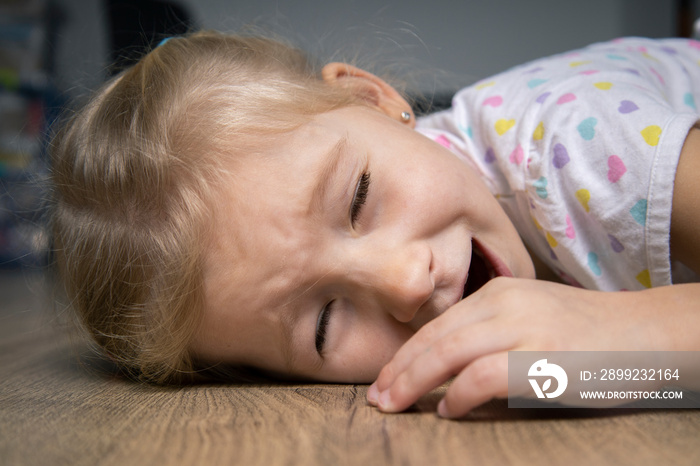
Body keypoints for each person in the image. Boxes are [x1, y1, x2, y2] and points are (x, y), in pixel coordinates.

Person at [50, 31, 700, 419]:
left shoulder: (591, 153)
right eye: (325, 322)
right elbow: (671, 380)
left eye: (358, 199)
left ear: (376, 101)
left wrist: (631, 330)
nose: (404, 283)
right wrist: (600, 370)